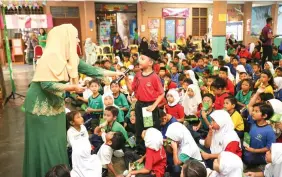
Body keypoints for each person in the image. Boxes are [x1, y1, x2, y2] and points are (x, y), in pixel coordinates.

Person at [23, 24, 123, 177]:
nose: (77, 40)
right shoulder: (50, 57)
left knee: (58, 141)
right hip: (40, 108)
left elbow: (92, 70)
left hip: (55, 104)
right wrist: (72, 88)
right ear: (64, 39)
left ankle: (59, 172)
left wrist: (115, 72)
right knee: (46, 143)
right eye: (74, 37)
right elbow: (47, 85)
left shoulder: (70, 57)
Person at [126, 49, 165, 155]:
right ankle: (140, 150)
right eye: (139, 58)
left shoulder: (154, 77)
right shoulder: (138, 75)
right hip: (139, 104)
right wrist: (126, 80)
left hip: (149, 106)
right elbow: (131, 90)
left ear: (150, 63)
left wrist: (153, 106)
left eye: (142, 59)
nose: (139, 60)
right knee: (139, 128)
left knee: (148, 129)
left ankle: (151, 151)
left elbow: (162, 94)